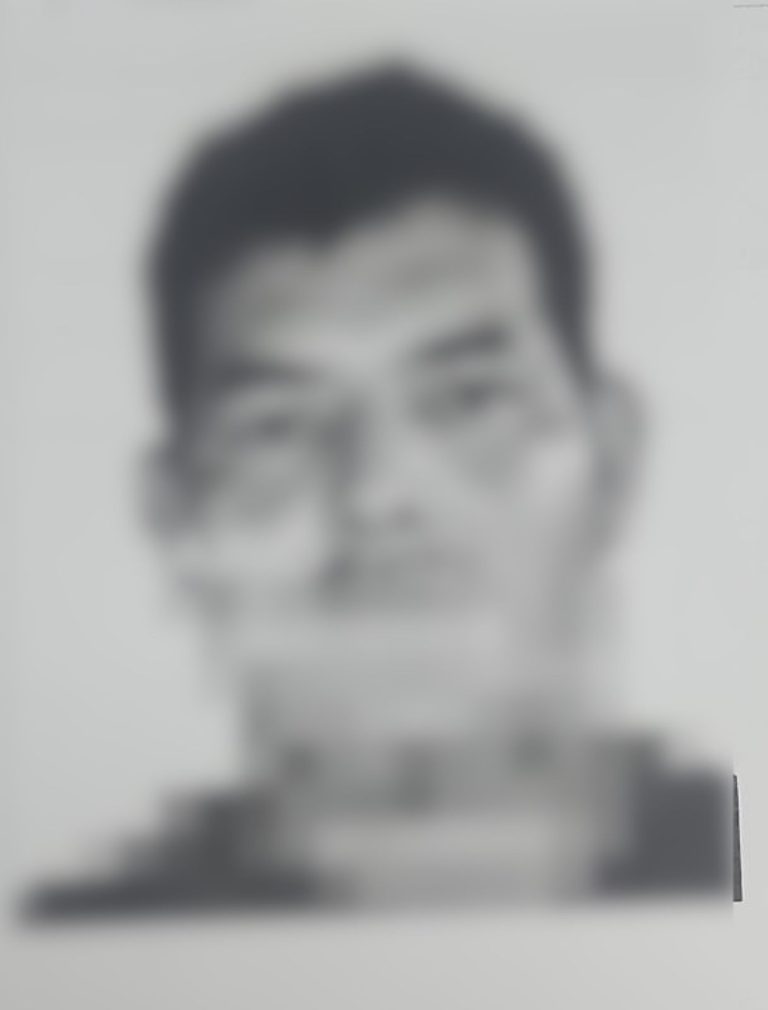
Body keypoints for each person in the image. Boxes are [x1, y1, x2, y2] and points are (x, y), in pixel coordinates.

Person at [27, 65, 737, 917]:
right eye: (277, 428)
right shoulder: (69, 958)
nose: (376, 493)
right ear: (174, 522)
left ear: (613, 463)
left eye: (468, 400)